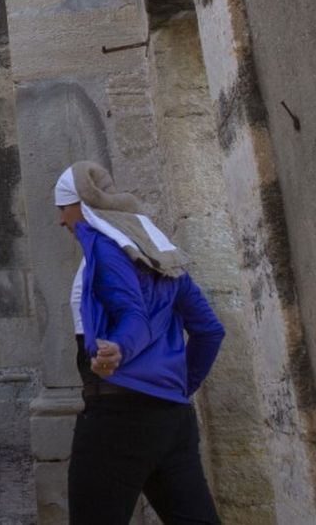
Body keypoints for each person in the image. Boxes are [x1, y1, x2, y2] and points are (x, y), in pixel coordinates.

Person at [56, 161, 226, 525]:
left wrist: (119, 350)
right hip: (173, 419)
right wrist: (179, 385)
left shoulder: (104, 250)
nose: (60, 221)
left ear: (82, 207)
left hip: (118, 417)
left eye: (61, 208)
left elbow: (133, 315)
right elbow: (210, 331)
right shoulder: (161, 254)